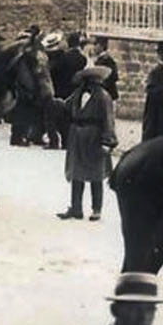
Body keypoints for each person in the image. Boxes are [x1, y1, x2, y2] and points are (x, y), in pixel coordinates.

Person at [58, 65, 117, 221]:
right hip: (77, 135)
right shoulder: (77, 94)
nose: (90, 83)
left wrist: (107, 141)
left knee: (95, 174)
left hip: (94, 136)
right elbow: (66, 106)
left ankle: (96, 209)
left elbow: (108, 120)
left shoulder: (104, 97)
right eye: (87, 80)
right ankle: (76, 208)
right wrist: (54, 103)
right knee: (76, 172)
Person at [94, 36, 120, 100]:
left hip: (108, 93)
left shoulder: (107, 60)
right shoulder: (98, 59)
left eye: (96, 45)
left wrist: (103, 84)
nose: (94, 48)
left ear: (102, 46)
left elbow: (114, 76)